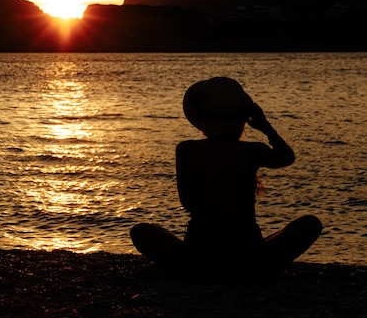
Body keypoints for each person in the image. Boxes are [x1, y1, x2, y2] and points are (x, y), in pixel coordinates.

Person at [130, 77, 322, 281]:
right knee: (310, 224)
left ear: (201, 119)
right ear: (241, 119)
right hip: (248, 258)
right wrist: (265, 127)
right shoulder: (252, 151)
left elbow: (187, 202)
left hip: (197, 258)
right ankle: (257, 270)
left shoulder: (186, 150)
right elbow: (287, 157)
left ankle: (193, 272)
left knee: (141, 231)